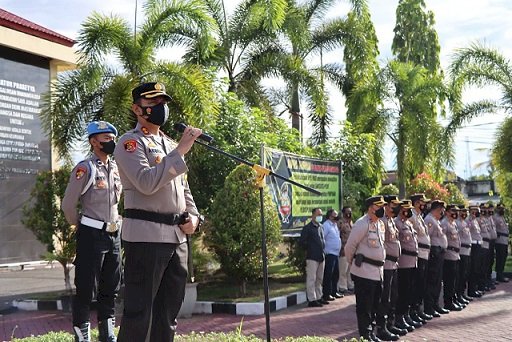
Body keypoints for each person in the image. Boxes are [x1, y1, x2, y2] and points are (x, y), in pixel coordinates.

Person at [114, 82, 202, 342]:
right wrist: (181, 151)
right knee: (139, 314)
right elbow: (146, 182)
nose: (160, 108)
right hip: (146, 237)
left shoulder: (169, 144)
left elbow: (183, 188)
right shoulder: (130, 143)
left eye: (162, 103)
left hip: (177, 238)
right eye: (153, 103)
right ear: (137, 109)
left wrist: (195, 217)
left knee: (167, 315)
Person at [62, 121, 122, 342]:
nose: (111, 142)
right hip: (91, 234)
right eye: (106, 138)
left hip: (114, 235)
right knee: (86, 290)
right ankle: (82, 336)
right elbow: (68, 204)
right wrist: (78, 223)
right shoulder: (85, 168)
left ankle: (107, 335)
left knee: (111, 288)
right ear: (93, 142)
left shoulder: (115, 168)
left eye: (112, 138)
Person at [344, 196, 386, 342]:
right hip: (364, 272)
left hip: (377, 273)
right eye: (379, 206)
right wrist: (353, 264)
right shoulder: (361, 224)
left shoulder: (380, 225)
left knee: (375, 306)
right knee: (364, 308)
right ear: (370, 208)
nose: (382, 209)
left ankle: (371, 333)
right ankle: (365, 336)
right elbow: (349, 247)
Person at [375, 195, 403, 341]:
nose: (396, 208)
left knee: (393, 295)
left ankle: (390, 323)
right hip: (386, 264)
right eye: (394, 205)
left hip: (394, 264)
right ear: (386, 206)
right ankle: (382, 327)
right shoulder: (382, 222)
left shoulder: (391, 221)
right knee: (385, 297)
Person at [394, 200, 421, 332]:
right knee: (403, 291)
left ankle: (407, 314)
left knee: (410, 290)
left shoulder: (408, 223)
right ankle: (400, 316)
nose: (409, 212)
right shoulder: (397, 223)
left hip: (412, 261)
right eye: (407, 209)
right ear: (401, 210)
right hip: (403, 262)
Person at [409, 194, 432, 323]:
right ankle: (413, 311)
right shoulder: (411, 216)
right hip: (417, 255)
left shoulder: (419, 216)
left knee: (421, 284)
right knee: (416, 284)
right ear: (417, 203)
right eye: (423, 203)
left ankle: (418, 309)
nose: (425, 205)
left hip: (424, 254)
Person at [423, 200, 448, 317]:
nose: (442, 213)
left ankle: (435, 304)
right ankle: (429, 307)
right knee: (432, 281)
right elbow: (428, 237)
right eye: (441, 210)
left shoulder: (435, 221)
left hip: (440, 253)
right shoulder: (429, 220)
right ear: (437, 209)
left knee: (438, 281)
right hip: (434, 253)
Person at [300, 208, 327, 307]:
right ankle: (312, 299)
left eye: (321, 214)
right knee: (312, 278)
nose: (320, 216)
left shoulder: (321, 227)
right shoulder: (307, 228)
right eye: (318, 214)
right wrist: (311, 247)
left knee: (320, 278)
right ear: (313, 216)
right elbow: (302, 242)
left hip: (321, 256)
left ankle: (319, 297)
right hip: (312, 256)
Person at [441, 204, 463, 311]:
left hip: (455, 255)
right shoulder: (444, 223)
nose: (455, 213)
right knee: (449, 280)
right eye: (453, 211)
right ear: (447, 212)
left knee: (454, 279)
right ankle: (448, 302)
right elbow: (443, 239)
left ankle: (453, 299)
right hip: (449, 255)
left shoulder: (453, 223)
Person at [322, 209, 343, 302]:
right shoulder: (326, 225)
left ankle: (334, 291)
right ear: (330, 216)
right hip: (329, 253)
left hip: (336, 253)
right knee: (329, 275)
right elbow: (323, 238)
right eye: (335, 215)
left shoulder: (334, 225)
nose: (337, 216)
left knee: (336, 274)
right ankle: (327, 293)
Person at [455, 206, 472, 304]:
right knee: (460, 275)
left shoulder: (464, 222)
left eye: (465, 211)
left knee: (464, 274)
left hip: (467, 251)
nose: (464, 213)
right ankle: (458, 295)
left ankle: (461, 294)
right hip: (461, 251)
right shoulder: (456, 222)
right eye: (462, 211)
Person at [467, 205, 484, 298]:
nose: (477, 212)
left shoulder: (475, 220)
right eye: (475, 210)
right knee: (472, 268)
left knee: (477, 268)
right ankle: (471, 290)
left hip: (478, 245)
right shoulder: (468, 220)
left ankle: (474, 288)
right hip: (472, 246)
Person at [338, 206, 354, 294]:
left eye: (350, 212)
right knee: (343, 270)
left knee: (350, 270)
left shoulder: (351, 222)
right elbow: (338, 235)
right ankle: (342, 287)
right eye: (347, 212)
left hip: (351, 249)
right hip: (343, 249)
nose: (349, 213)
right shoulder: (340, 223)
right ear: (343, 213)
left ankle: (350, 285)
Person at [494, 203, 510, 282]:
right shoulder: (495, 218)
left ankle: (501, 274)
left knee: (503, 257)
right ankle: (499, 275)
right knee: (500, 258)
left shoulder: (502, 217)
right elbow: (494, 229)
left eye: (503, 209)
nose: (502, 210)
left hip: (504, 240)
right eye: (500, 209)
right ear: (497, 209)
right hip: (499, 240)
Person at [478, 203, 492, 292]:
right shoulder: (478, 220)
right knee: (481, 266)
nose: (484, 210)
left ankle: (485, 283)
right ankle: (481, 285)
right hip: (482, 245)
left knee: (486, 265)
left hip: (487, 244)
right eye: (482, 208)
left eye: (485, 209)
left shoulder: (485, 219)